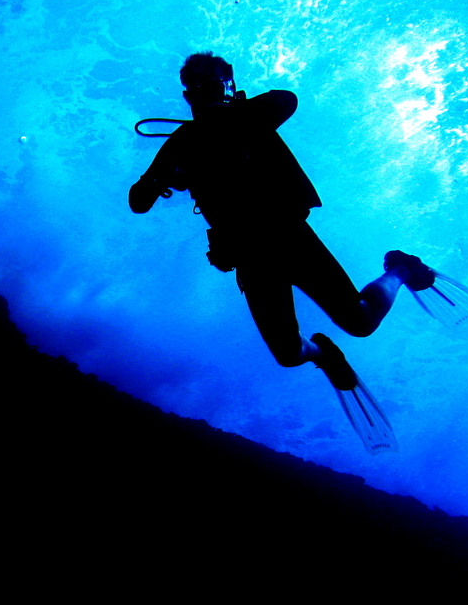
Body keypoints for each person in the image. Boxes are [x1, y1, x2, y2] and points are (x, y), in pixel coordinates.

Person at [129, 52, 434, 390]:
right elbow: (137, 203)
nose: (206, 94)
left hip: (291, 237)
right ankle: (323, 355)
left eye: (213, 85)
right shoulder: (181, 145)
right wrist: (157, 180)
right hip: (249, 256)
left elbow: (286, 100)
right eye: (197, 88)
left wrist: (233, 116)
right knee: (288, 354)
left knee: (360, 322)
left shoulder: (250, 117)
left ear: (228, 84)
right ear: (187, 96)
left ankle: (400, 269)